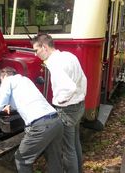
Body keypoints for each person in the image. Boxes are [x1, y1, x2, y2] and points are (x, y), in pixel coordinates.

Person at [0, 66, 63, 173]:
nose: (1, 83)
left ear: (5, 75)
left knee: (22, 159)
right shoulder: (25, 80)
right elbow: (23, 100)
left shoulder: (7, 80)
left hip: (41, 125)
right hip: (56, 120)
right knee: (54, 160)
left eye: (0, 80)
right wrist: (8, 106)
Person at [31, 33, 87, 173]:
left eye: (36, 50)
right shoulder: (69, 56)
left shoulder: (54, 63)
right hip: (79, 105)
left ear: (44, 47)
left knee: (68, 149)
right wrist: (81, 95)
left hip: (67, 109)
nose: (36, 54)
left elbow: (70, 87)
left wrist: (60, 101)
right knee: (75, 142)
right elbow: (83, 78)